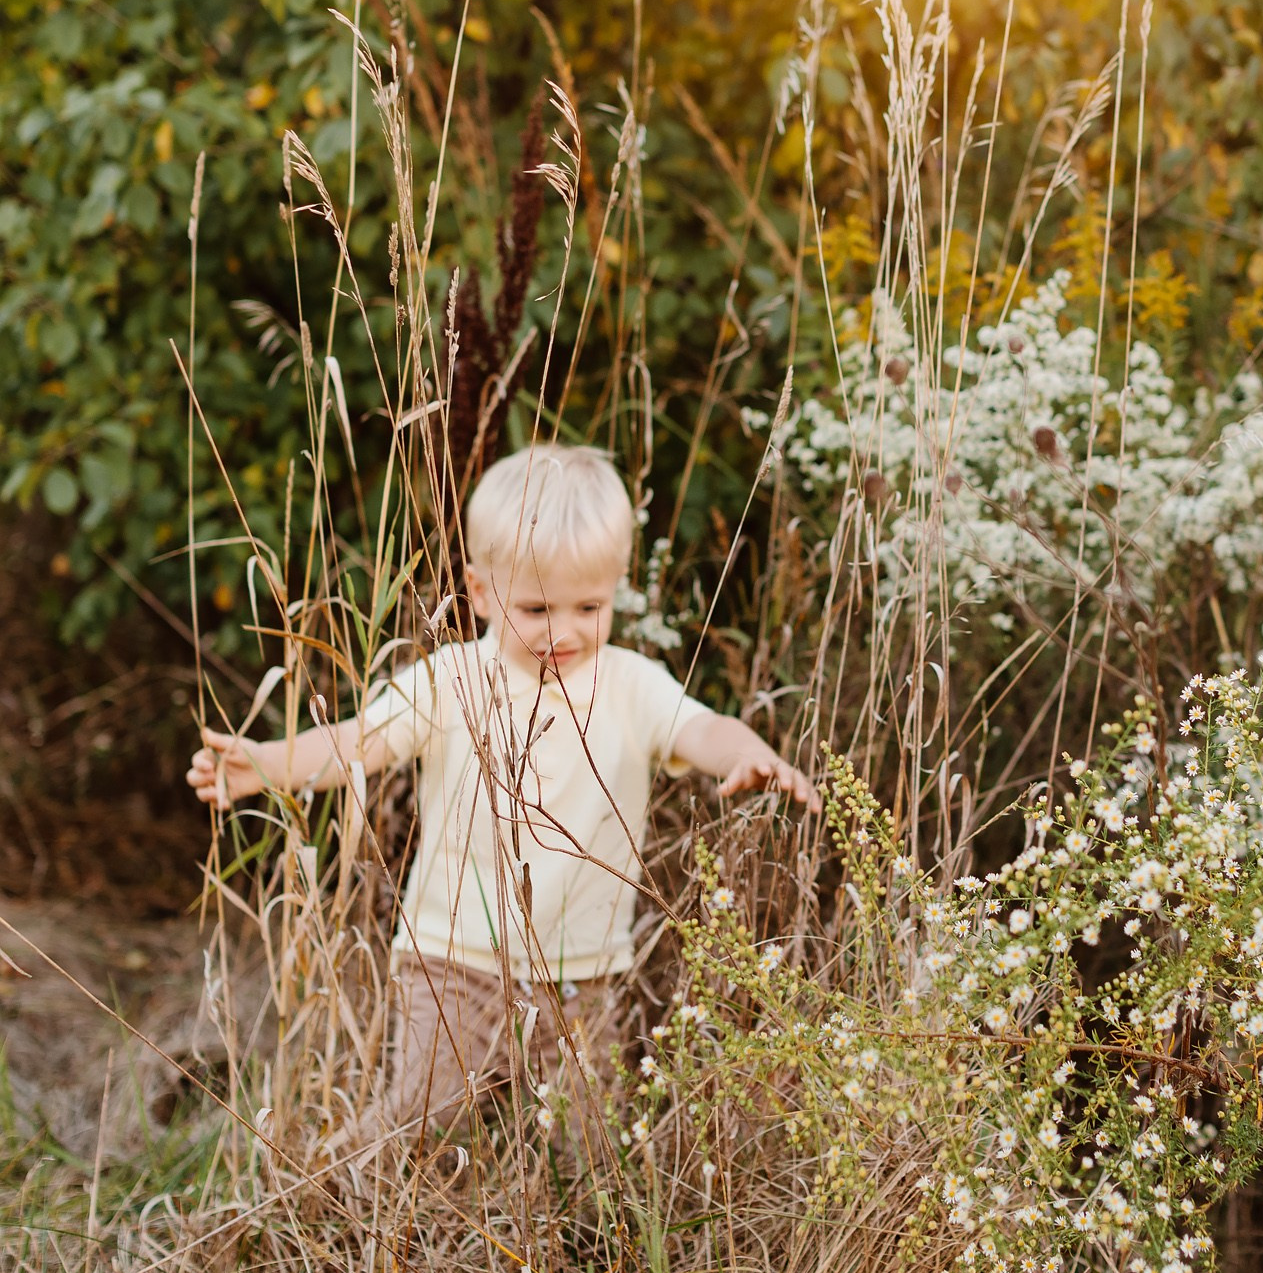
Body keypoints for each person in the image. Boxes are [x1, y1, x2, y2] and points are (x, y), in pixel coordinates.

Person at [184, 443, 817, 1169]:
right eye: (536, 608)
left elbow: (700, 726)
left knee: (589, 1149)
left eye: (590, 607)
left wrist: (746, 752)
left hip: (585, 973)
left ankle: (578, 1261)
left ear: (615, 591)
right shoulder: (453, 679)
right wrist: (264, 765)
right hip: (456, 958)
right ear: (482, 594)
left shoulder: (630, 684)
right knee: (421, 1115)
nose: (564, 633)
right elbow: (356, 742)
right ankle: (324, 1196)